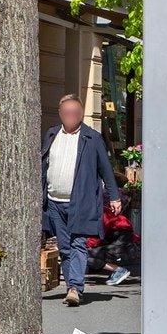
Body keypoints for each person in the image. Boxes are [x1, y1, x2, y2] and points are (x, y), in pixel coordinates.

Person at [42, 94, 122, 306]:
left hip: (81, 202)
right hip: (54, 201)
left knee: (78, 243)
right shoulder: (51, 135)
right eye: (67, 112)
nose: (71, 116)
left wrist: (114, 196)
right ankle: (71, 287)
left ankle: (75, 288)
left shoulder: (92, 138)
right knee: (65, 247)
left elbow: (106, 169)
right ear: (60, 114)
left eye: (75, 113)